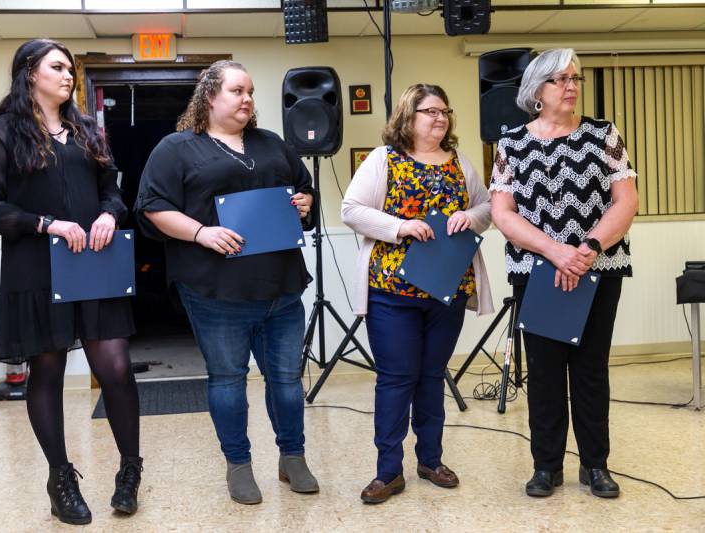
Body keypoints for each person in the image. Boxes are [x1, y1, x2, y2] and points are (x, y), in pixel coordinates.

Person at [0, 39, 142, 525]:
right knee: (46, 371)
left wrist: (110, 214)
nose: (68, 75)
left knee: (115, 368)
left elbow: (112, 189)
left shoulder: (87, 129)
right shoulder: (3, 132)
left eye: (69, 68)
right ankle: (60, 478)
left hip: (93, 264)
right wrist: (46, 223)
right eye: (58, 67)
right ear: (30, 73)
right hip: (36, 267)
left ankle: (130, 470)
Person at [134, 60, 319, 505]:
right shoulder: (178, 148)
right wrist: (201, 232)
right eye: (237, 91)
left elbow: (305, 192)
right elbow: (151, 208)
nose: (247, 99)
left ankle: (292, 457)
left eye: (250, 91)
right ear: (210, 96)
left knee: (287, 382)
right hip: (215, 292)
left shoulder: (272, 144)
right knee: (228, 380)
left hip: (281, 287)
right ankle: (238, 464)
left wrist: (303, 202)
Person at [490, 48, 638, 499]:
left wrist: (587, 249)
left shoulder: (602, 134)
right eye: (560, 79)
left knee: (591, 369)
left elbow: (625, 200)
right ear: (536, 91)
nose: (571, 85)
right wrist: (556, 252)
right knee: (545, 370)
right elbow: (503, 211)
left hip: (597, 269)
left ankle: (596, 466)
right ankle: (546, 466)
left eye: (576, 78)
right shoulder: (511, 143)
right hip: (537, 270)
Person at [342, 83, 493, 504]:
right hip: (392, 290)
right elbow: (351, 210)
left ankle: (430, 460)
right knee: (396, 379)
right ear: (408, 117)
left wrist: (470, 215)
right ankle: (388, 472)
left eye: (445, 111)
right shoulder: (383, 159)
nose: (440, 118)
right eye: (430, 111)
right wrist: (399, 226)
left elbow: (487, 209)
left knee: (431, 376)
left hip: (447, 289)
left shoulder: (461, 162)